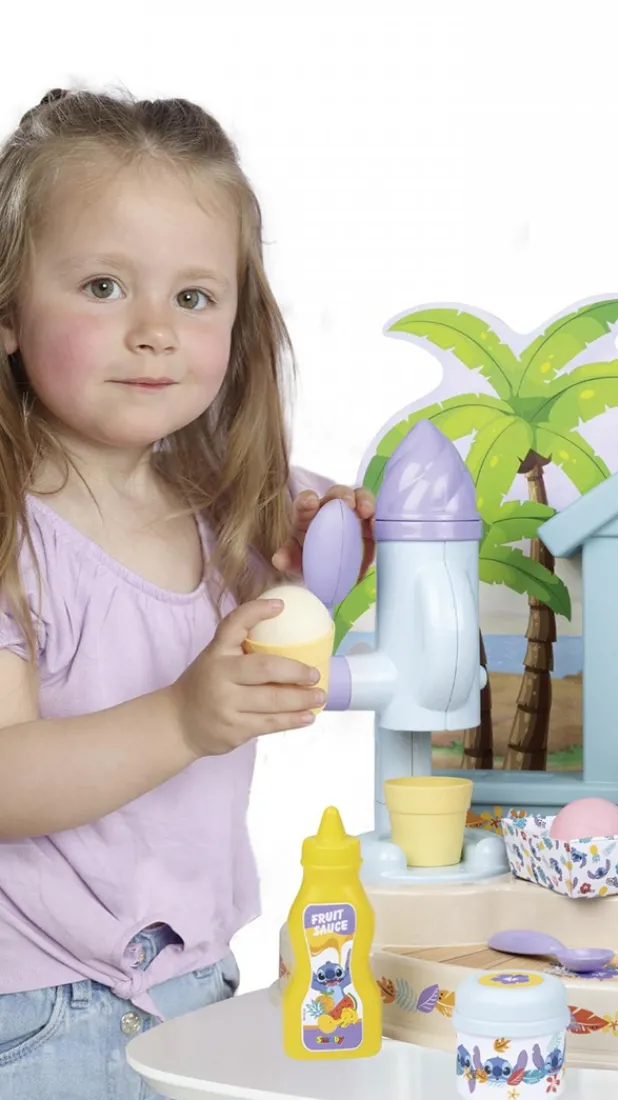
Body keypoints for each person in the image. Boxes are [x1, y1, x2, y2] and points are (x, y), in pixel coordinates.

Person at [0, 87, 375, 1098]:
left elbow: (319, 594)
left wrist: (341, 547)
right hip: (34, 1011)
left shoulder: (230, 511)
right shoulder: (10, 528)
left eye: (194, 298)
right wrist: (182, 718)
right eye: (104, 286)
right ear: (7, 312)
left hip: (197, 985)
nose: (154, 331)